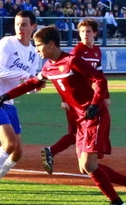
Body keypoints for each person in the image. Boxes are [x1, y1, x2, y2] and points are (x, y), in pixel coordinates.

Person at [0, 26, 126, 205]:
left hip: (94, 116)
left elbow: (99, 79)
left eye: (39, 45)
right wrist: (8, 94)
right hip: (80, 120)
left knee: (90, 165)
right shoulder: (48, 66)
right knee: (85, 167)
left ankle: (116, 203)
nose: (37, 50)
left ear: (51, 44)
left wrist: (95, 104)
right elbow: (33, 83)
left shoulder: (73, 61)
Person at [0, 10, 40, 205]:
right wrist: (24, 76)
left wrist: (34, 86)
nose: (20, 28)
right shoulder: (7, 43)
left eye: (25, 24)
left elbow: (28, 85)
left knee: (17, 152)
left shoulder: (34, 53)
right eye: (18, 24)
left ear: (33, 27)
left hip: (8, 101)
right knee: (9, 144)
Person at [41, 18, 105, 174]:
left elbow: (100, 74)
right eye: (82, 32)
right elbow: (65, 76)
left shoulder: (96, 51)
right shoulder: (77, 52)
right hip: (75, 101)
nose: (85, 35)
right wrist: (65, 100)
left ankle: (84, 163)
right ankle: (56, 152)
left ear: (95, 33)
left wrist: (105, 96)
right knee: (77, 132)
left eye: (88, 31)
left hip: (88, 99)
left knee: (80, 132)